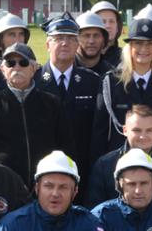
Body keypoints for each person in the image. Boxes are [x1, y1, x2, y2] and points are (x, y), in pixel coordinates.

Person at [0, 43, 70, 178]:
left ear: (34, 68)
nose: (16, 67)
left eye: (23, 62)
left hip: (45, 183)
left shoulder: (52, 104)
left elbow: (66, 147)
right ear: (2, 69)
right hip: (2, 184)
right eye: (10, 63)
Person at [93, 18, 152, 160]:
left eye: (150, 44)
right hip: (121, 161)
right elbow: (100, 132)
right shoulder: (111, 82)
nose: (144, 49)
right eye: (138, 43)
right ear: (129, 47)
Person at [84, 106, 152, 210]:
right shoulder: (105, 165)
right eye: (137, 130)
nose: (143, 136)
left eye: (149, 130)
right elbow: (94, 209)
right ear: (125, 130)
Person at [37, 16, 106, 171]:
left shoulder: (92, 82)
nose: (65, 43)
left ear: (77, 45)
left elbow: (98, 131)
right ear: (48, 45)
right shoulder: (34, 80)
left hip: (81, 166)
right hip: (43, 167)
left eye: (70, 38)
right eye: (58, 38)